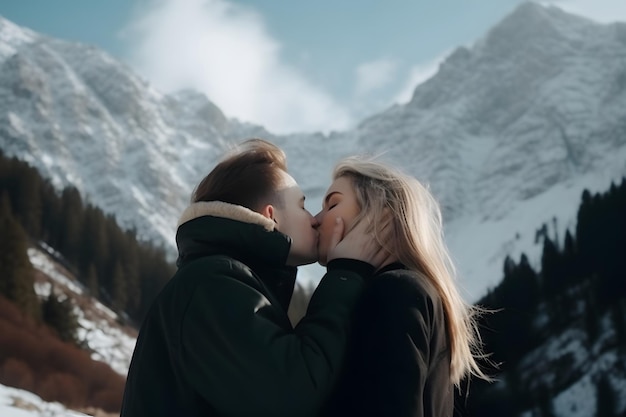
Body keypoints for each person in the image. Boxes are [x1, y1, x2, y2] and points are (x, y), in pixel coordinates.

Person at [120, 139, 389, 417]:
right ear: (270, 216)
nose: (314, 219)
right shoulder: (212, 285)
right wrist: (345, 273)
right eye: (301, 206)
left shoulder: (222, 281)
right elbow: (291, 394)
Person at [315, 156, 492, 417]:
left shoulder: (395, 292)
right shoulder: (410, 290)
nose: (316, 219)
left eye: (332, 204)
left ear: (380, 214)